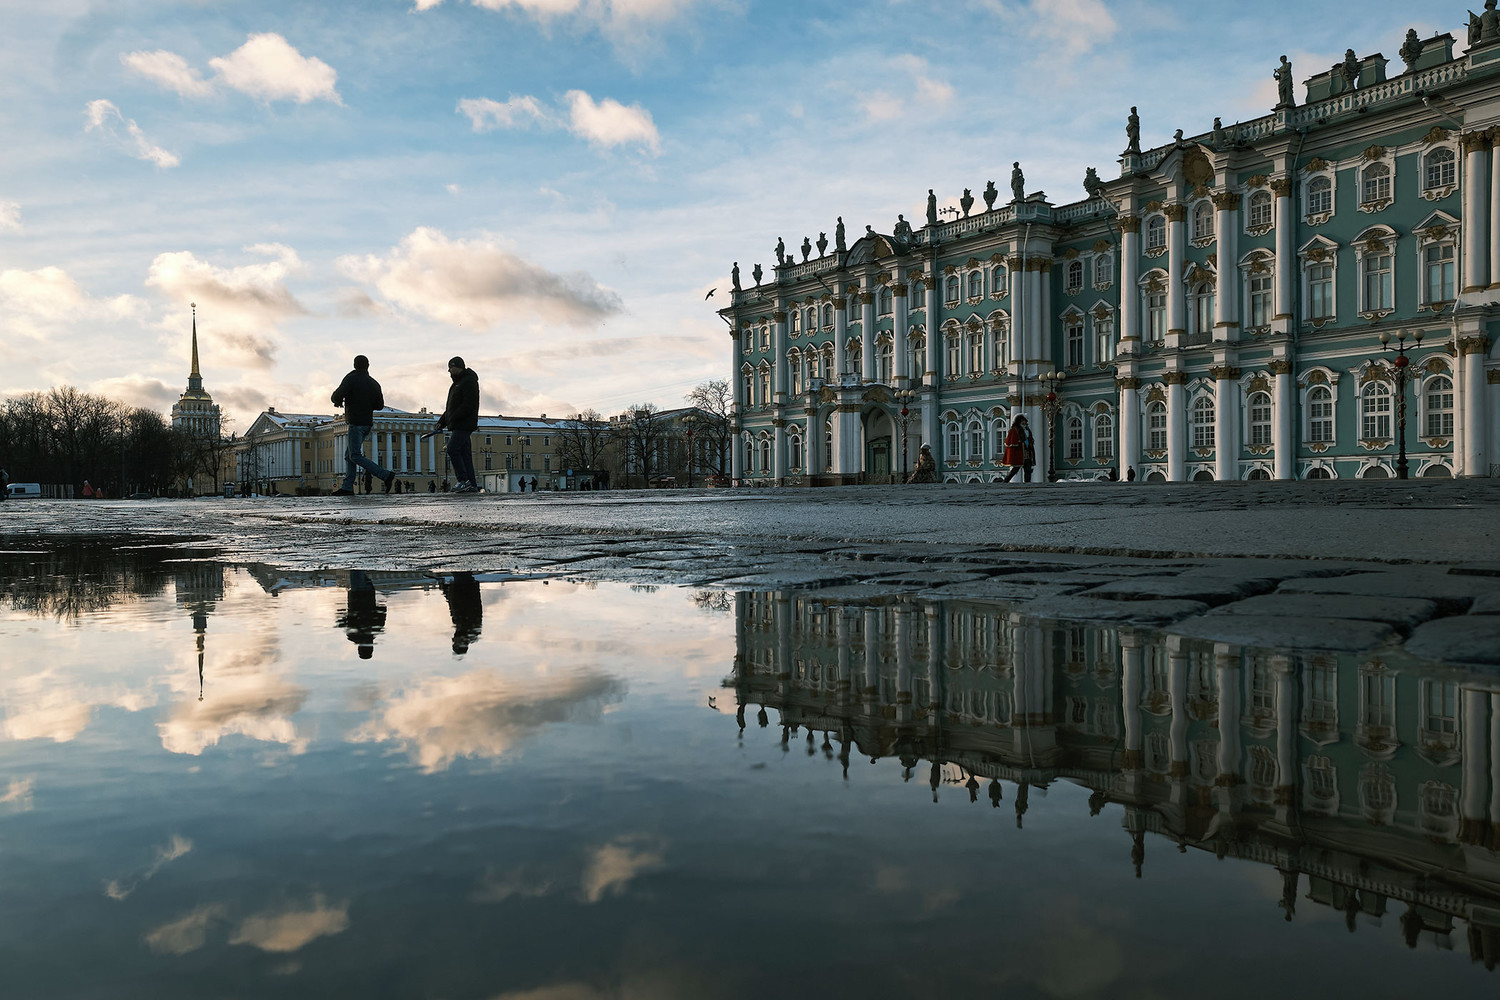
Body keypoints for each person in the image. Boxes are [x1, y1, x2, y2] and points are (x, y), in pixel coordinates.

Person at [331, 355, 396, 497]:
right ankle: (347, 487)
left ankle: (385, 475)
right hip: (367, 424)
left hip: (355, 422)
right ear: (368, 365)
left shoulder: (351, 378)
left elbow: (336, 395)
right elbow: (379, 405)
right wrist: (366, 403)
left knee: (354, 455)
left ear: (355, 365)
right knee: (349, 456)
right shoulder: (374, 383)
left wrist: (339, 400)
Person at [437, 356, 481, 493]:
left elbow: (468, 405)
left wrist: (452, 419)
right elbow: (451, 407)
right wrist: (442, 421)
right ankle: (471, 484)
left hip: (464, 423)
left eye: (451, 367)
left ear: (458, 366)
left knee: (452, 448)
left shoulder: (469, 382)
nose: (449, 371)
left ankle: (463, 480)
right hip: (459, 423)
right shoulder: (457, 383)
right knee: (465, 454)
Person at [1002, 416, 1036, 483]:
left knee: (1028, 469)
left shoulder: (1027, 429)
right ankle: (1005, 481)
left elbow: (1030, 439)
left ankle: (1027, 483)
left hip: (1027, 452)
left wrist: (1030, 444)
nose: (1024, 422)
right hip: (1019, 453)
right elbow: (1011, 441)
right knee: (1015, 469)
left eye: (1025, 421)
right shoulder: (1014, 430)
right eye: (1022, 421)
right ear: (1019, 421)